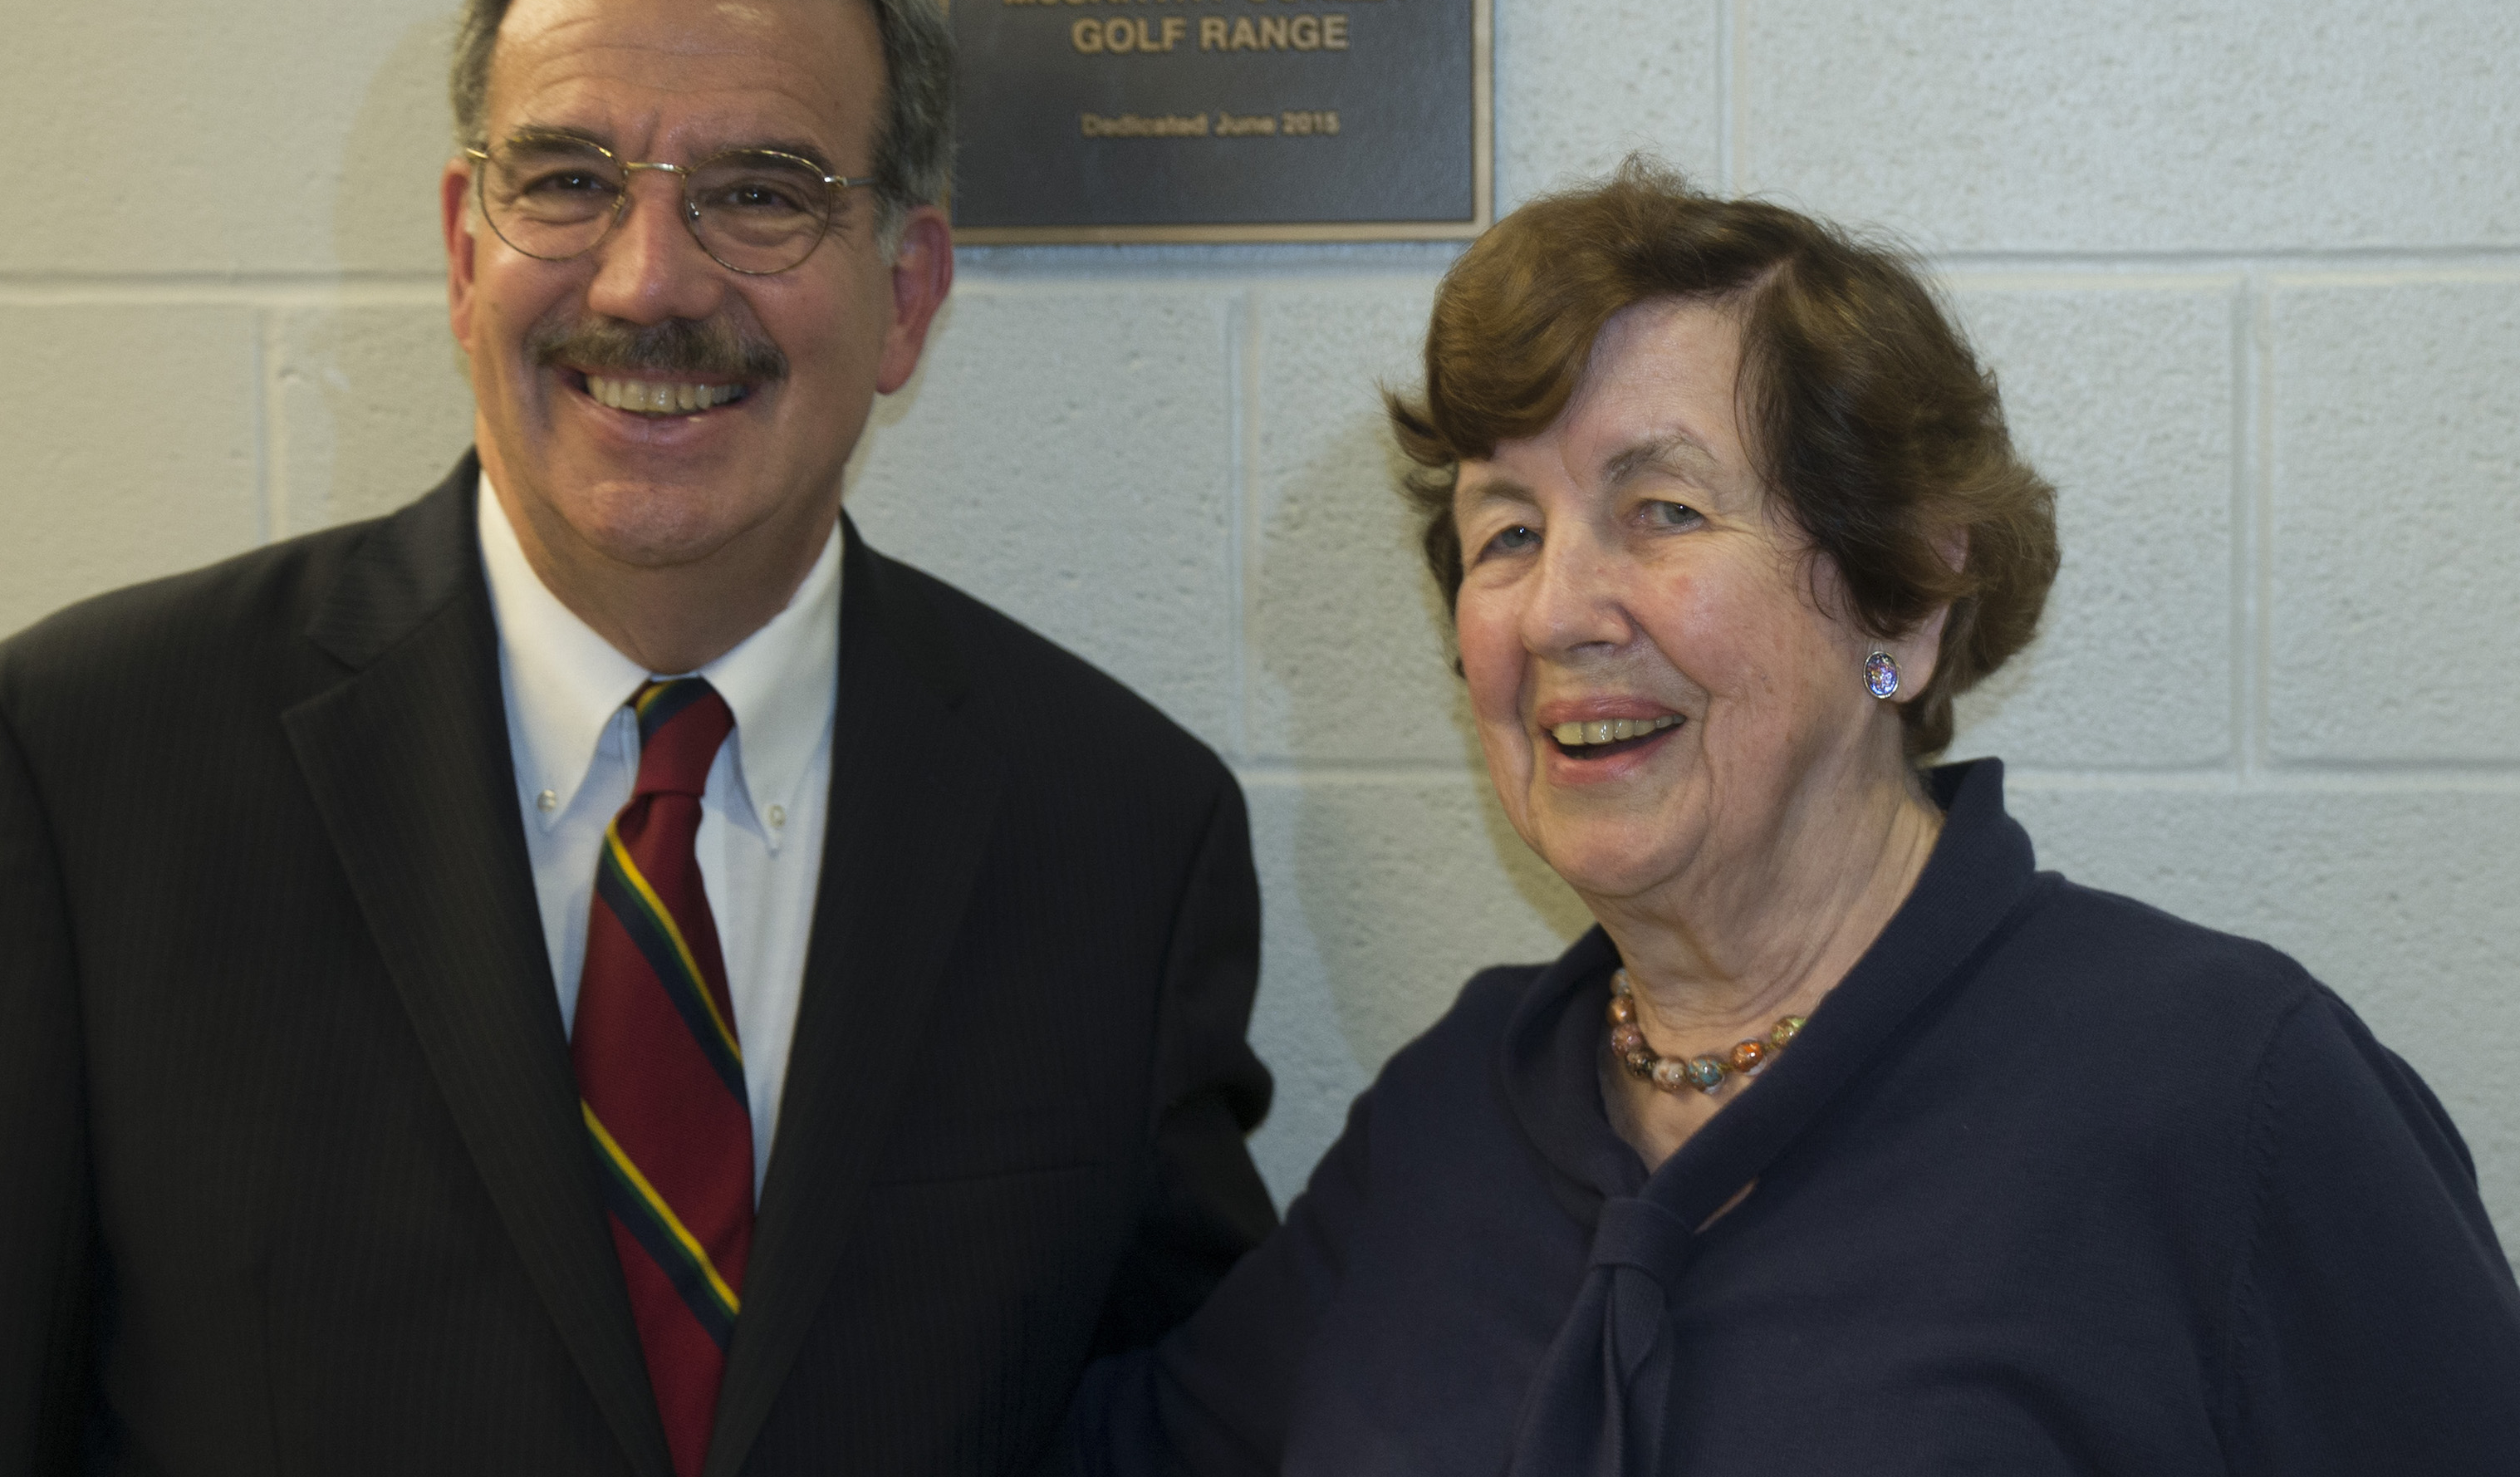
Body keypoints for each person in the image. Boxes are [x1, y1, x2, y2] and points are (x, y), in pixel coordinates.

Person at [0, 0, 1274, 1477]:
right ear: (462, 249)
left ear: (904, 292)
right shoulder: (77, 774)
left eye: (759, 190)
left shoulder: (1118, 831)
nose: (647, 280)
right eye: (563, 180)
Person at [1073, 159, 2520, 1474]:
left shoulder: (2220, 1089)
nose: (1561, 609)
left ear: (1904, 596)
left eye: (1663, 511)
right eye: (1504, 531)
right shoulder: (1454, 1110)